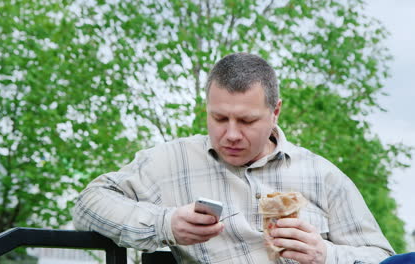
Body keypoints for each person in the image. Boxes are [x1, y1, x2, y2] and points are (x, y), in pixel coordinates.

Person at [73, 52, 394, 263]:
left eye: (247, 121)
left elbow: (382, 259)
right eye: (219, 118)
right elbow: (89, 203)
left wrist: (325, 254)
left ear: (275, 112)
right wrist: (165, 223)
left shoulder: (322, 176)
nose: (231, 134)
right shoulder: (172, 161)